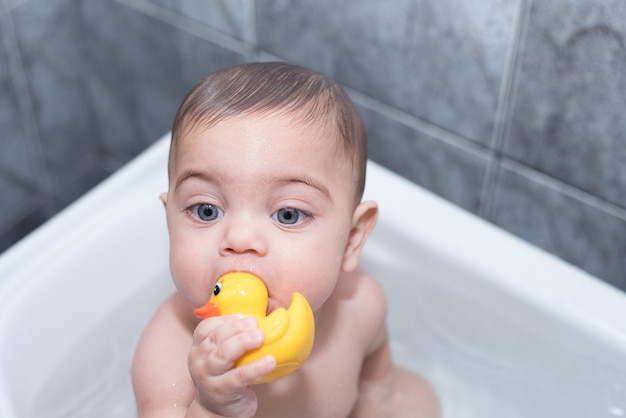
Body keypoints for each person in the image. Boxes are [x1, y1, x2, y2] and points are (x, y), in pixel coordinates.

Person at [132, 61, 440, 418]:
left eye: (288, 214)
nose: (240, 238)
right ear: (169, 222)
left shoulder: (361, 306)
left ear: (352, 240)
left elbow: (376, 382)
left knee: (417, 399)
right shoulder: (170, 351)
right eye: (206, 210)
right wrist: (210, 407)